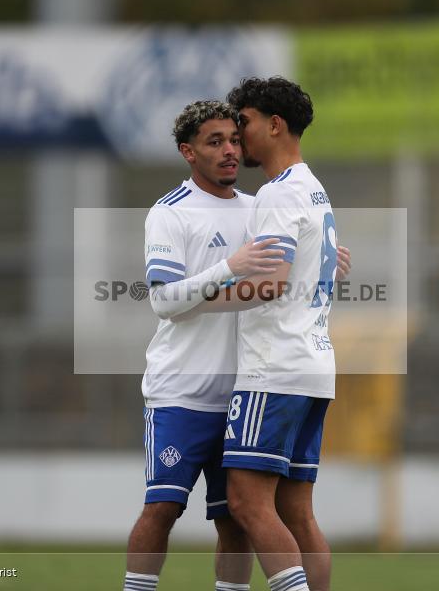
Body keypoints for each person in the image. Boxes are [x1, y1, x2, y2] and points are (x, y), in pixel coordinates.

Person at [176, 77, 343, 591]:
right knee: (297, 513)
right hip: (314, 366)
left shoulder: (276, 193)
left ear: (274, 125)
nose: (236, 136)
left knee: (247, 502)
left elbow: (269, 284)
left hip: (274, 368)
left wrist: (200, 299)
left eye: (244, 123)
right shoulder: (313, 188)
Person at [124, 100, 284, 591]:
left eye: (234, 140)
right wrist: (228, 267)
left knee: (235, 518)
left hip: (243, 393)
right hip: (182, 390)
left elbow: (282, 282)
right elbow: (166, 301)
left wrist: (328, 265)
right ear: (187, 152)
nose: (230, 151)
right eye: (215, 142)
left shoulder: (258, 209)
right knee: (164, 506)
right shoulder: (170, 213)